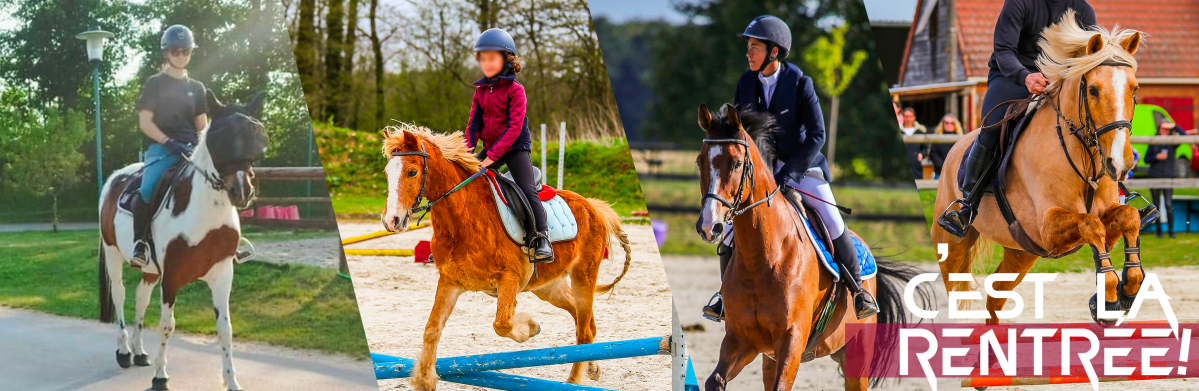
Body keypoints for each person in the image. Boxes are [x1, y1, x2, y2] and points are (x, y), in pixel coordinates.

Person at [702, 15, 878, 322]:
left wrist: (790, 174)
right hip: (760, 172)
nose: (748, 52)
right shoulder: (745, 83)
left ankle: (859, 291)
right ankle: (724, 296)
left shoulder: (799, 83)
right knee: (730, 228)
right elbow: (740, 135)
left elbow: (817, 135)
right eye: (748, 46)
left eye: (754, 47)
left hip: (802, 167)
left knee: (831, 217)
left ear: (774, 51)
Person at [938, 1, 1097, 237]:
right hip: (1013, 76)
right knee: (992, 128)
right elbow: (1003, 51)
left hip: (1061, 81)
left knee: (1097, 123)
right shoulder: (1019, 3)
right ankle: (967, 206)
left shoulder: (1083, 9)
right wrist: (1025, 76)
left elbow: (1094, 56)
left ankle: (1119, 196)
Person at [465, 28, 554, 263]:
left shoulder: (517, 91)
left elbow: (514, 128)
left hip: (515, 148)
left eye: (492, 58)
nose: (486, 63)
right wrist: (466, 155)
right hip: (491, 147)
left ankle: (542, 237)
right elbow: (473, 126)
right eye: (483, 59)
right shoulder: (480, 92)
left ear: (507, 59)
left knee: (527, 189)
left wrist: (491, 157)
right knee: (465, 183)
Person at [130, 25, 209, 268]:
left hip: (191, 150)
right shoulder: (154, 84)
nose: (181, 55)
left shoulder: (197, 88)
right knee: (147, 189)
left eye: (186, 51)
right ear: (166, 53)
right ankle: (140, 243)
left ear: (191, 53)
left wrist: (201, 148)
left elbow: (202, 125)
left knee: (219, 183)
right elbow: (145, 122)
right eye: (175, 51)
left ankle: (229, 243)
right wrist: (169, 142)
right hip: (161, 149)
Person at [1144, 121, 1182, 238]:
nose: (1164, 131)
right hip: (1155, 176)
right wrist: (1156, 157)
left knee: (1168, 204)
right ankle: (1159, 232)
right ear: (1159, 129)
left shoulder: (1172, 142)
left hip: (1169, 176)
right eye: (1162, 128)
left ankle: (1171, 231)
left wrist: (1174, 126)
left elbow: (1184, 135)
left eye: (1167, 129)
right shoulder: (1154, 141)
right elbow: (1146, 159)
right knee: (1156, 206)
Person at [900, 107, 929, 180]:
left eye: (910, 116)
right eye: (906, 116)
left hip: (916, 165)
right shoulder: (899, 131)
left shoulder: (920, 131)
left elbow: (925, 148)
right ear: (903, 117)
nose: (908, 118)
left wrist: (922, 154)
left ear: (914, 117)